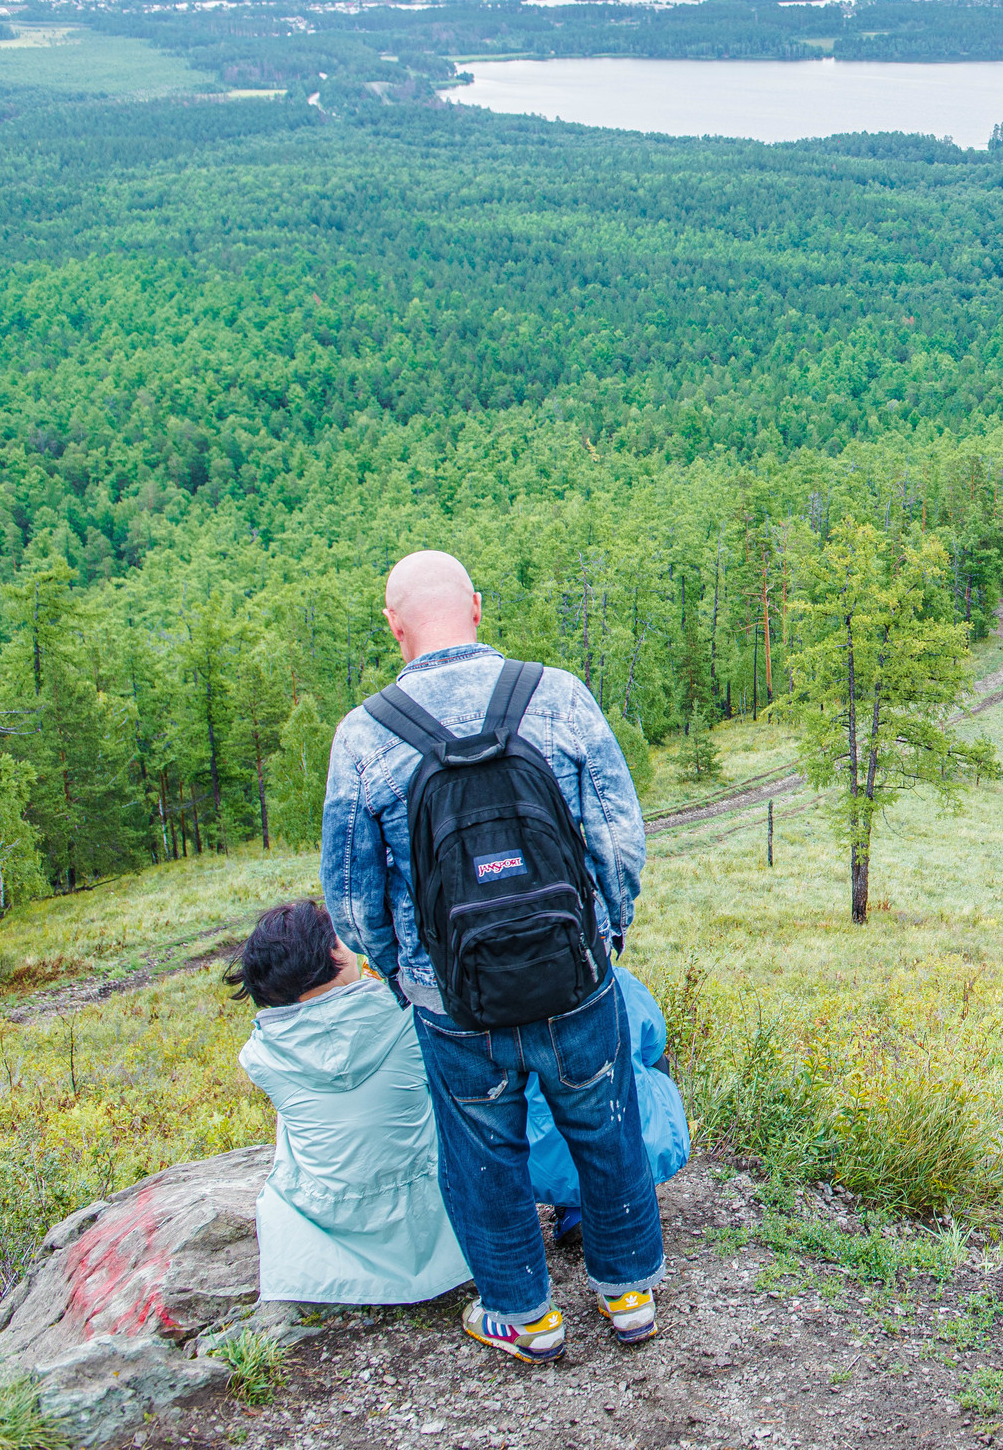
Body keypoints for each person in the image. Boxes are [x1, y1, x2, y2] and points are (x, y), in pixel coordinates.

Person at [320, 549, 661, 1364]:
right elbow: (618, 836)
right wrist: (607, 930)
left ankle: (526, 1315)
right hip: (574, 975)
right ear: (475, 606)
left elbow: (353, 893)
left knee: (482, 1155)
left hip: (454, 1002)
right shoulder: (558, 696)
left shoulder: (364, 734)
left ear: (394, 625)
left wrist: (403, 974)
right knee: (605, 1124)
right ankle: (628, 1295)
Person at [228, 900, 691, 1307]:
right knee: (628, 1075)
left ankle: (561, 1232)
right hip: (446, 1214)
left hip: (335, 1223)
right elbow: (653, 1040)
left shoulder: (259, 1054)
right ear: (334, 953)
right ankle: (607, 1237)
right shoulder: (405, 1013)